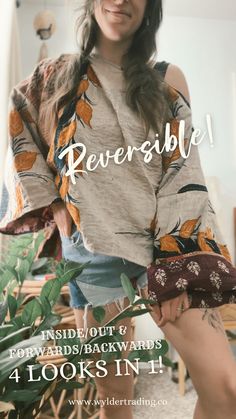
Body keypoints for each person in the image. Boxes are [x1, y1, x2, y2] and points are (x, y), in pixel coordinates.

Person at [1, 1, 236, 418]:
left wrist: (172, 265)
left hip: (164, 250)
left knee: (226, 389)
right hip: (91, 259)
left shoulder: (167, 79)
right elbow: (19, 130)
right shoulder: (52, 77)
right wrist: (54, 203)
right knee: (116, 403)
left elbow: (183, 170)